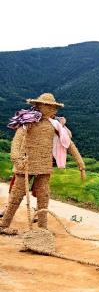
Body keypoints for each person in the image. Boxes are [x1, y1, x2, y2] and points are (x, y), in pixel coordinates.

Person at [0, 93, 86, 235]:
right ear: (40, 106)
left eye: (54, 107)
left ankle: (42, 228)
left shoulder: (55, 126)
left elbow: (69, 144)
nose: (53, 110)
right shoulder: (28, 122)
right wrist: (16, 157)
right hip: (25, 165)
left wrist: (81, 164)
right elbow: (17, 140)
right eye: (50, 106)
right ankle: (4, 224)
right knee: (16, 196)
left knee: (43, 197)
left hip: (44, 166)